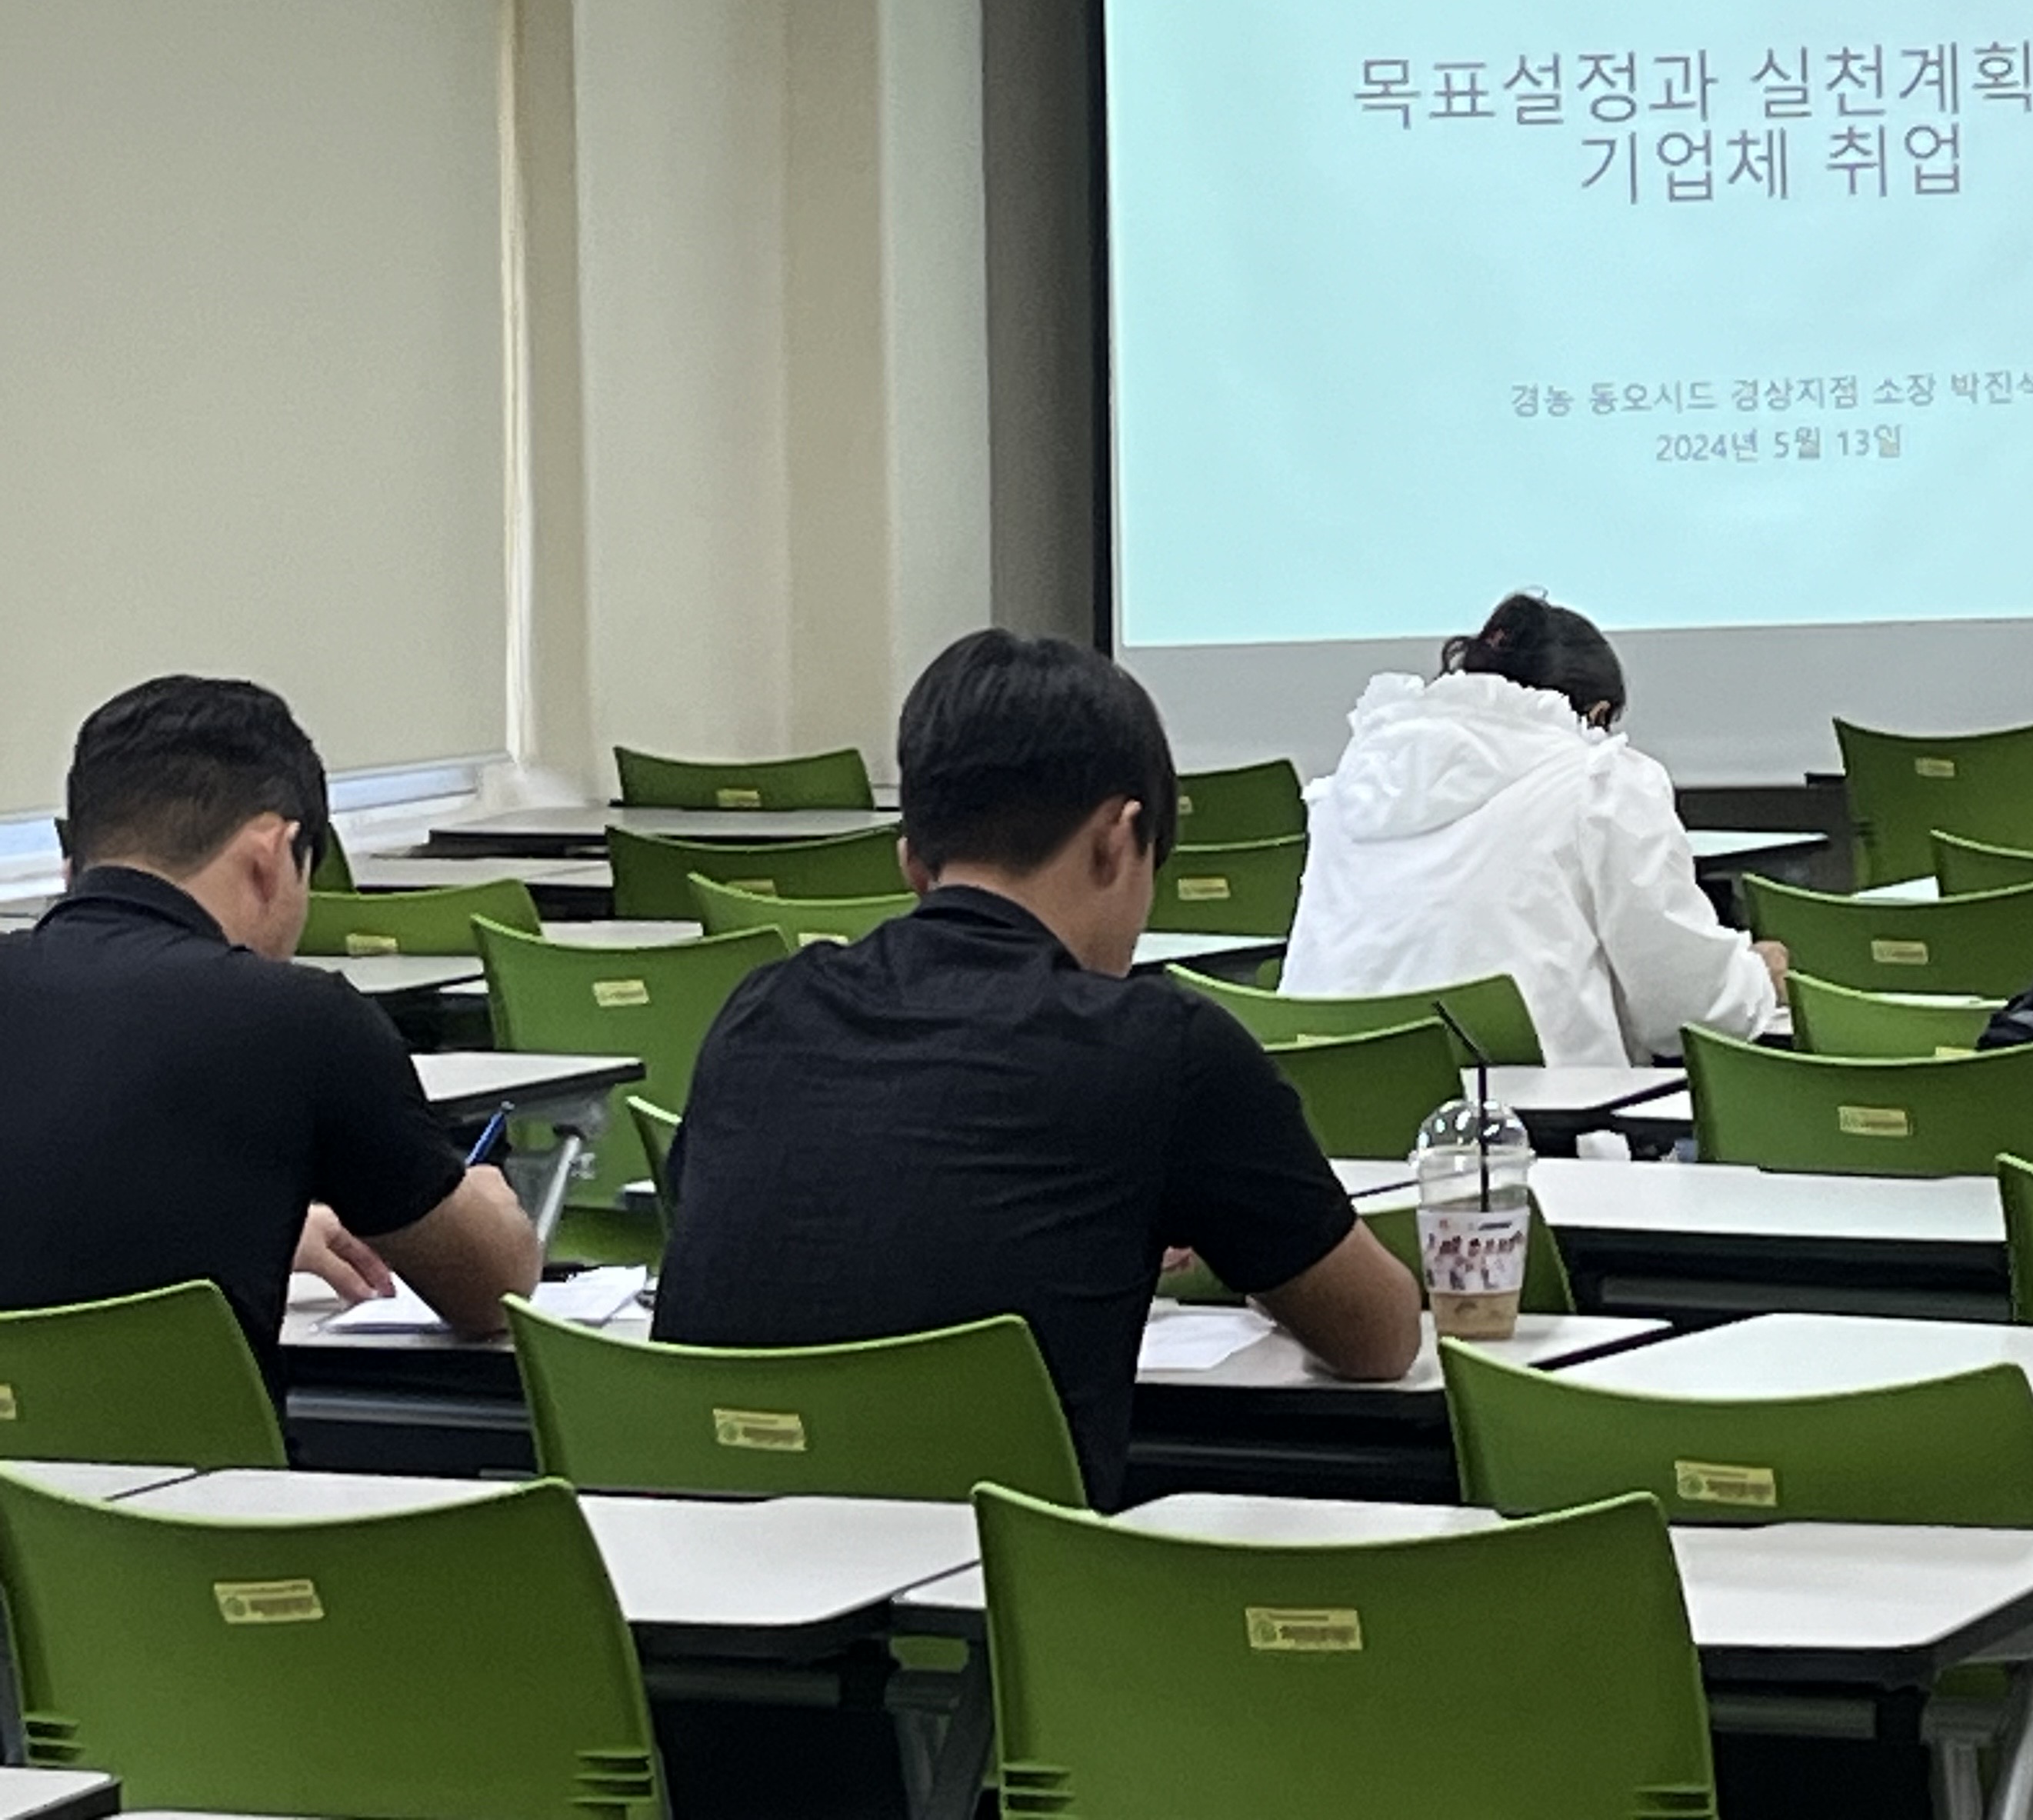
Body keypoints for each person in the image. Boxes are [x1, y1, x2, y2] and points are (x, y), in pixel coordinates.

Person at [654, 628, 1418, 1508]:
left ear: (913, 864)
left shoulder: (760, 1011)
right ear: (1118, 840)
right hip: (1004, 1567)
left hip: (695, 1551)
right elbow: (1380, 1337)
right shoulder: (1165, 1048)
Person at [0, 676, 542, 1365]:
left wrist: (268, 1229)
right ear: (273, 854)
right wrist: (489, 1203)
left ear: (71, 864)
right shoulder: (303, 1020)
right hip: (191, 1437)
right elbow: (490, 1292)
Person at [1279, 592, 1786, 1068]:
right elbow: (1683, 1007)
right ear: (1598, 713)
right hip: (1528, 1119)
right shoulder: (1600, 780)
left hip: (1330, 1106)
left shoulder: (1354, 782)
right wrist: (1756, 981)